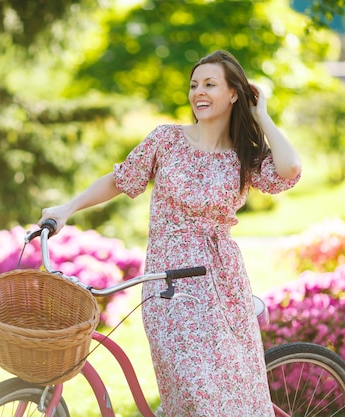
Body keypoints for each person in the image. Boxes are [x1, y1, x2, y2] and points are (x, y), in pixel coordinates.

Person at [39, 50, 301, 417]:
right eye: (194, 85)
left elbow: (289, 169)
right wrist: (67, 208)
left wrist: (263, 114)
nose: (199, 92)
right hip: (168, 279)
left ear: (234, 94)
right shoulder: (166, 140)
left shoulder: (243, 154)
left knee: (229, 398)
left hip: (222, 281)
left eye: (210, 84)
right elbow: (120, 179)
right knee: (192, 389)